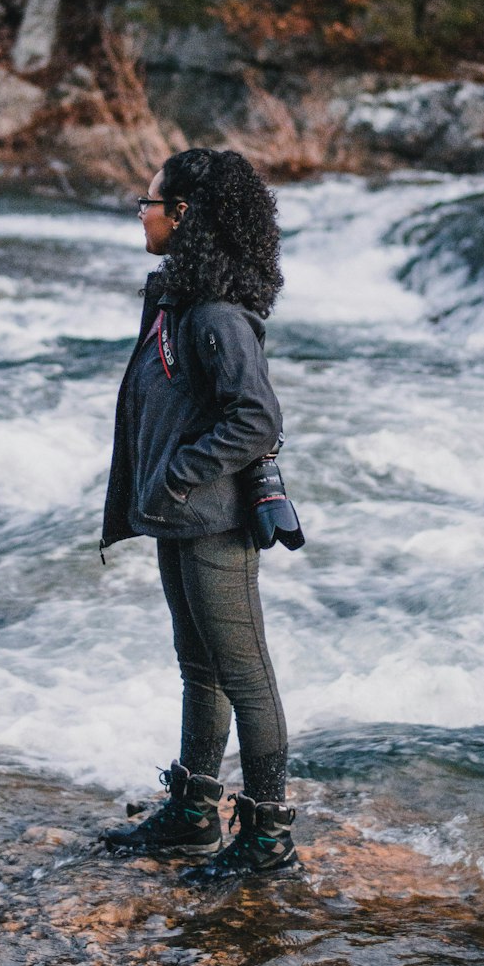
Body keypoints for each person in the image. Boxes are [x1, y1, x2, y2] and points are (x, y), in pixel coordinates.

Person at [99, 147, 297, 881]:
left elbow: (256, 416)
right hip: (180, 516)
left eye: (149, 203)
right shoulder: (180, 301)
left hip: (212, 520)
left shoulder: (215, 315)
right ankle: (192, 813)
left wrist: (178, 477)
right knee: (199, 669)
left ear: (183, 217)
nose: (142, 215)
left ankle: (270, 834)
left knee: (245, 676)